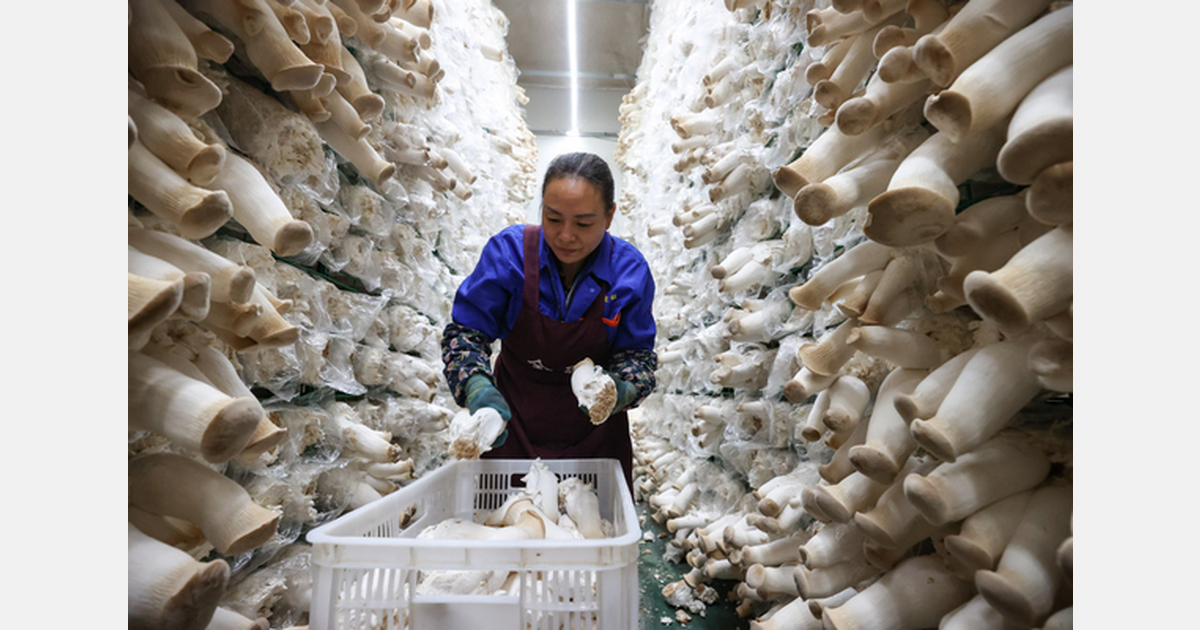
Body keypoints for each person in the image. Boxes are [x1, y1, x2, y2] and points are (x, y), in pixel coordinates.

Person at [440, 152, 657, 490]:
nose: (566, 236)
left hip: (595, 434)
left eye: (583, 223)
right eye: (553, 219)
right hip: (514, 424)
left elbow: (637, 358)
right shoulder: (509, 254)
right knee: (506, 522)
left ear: (609, 216)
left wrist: (621, 391)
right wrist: (477, 387)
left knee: (593, 527)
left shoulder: (628, 272)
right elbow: (466, 334)